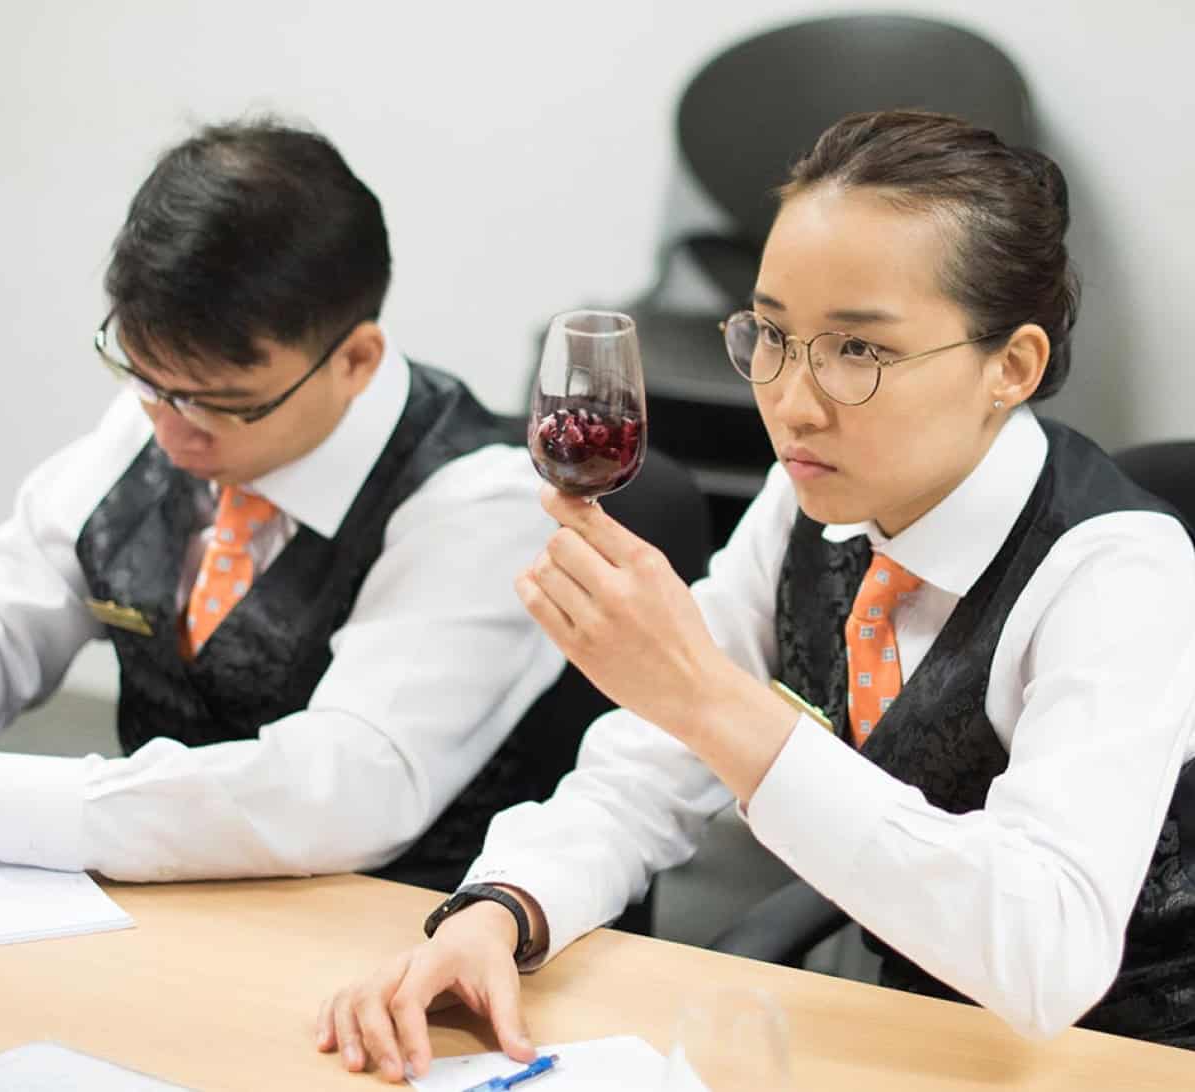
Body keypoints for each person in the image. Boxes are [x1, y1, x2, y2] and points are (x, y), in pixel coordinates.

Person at [318, 110, 1195, 1078]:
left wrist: (704, 695)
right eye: (772, 334)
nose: (791, 400)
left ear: (1011, 366)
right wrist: (502, 908)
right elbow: (646, 771)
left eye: (857, 351)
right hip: (910, 1037)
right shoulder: (812, 500)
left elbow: (1049, 955)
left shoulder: (1115, 572)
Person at [0, 118, 565, 885]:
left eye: (224, 405)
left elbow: (345, 789)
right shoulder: (167, 409)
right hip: (151, 906)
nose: (172, 430)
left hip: (397, 943)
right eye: (145, 380)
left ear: (355, 359)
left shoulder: (479, 506)